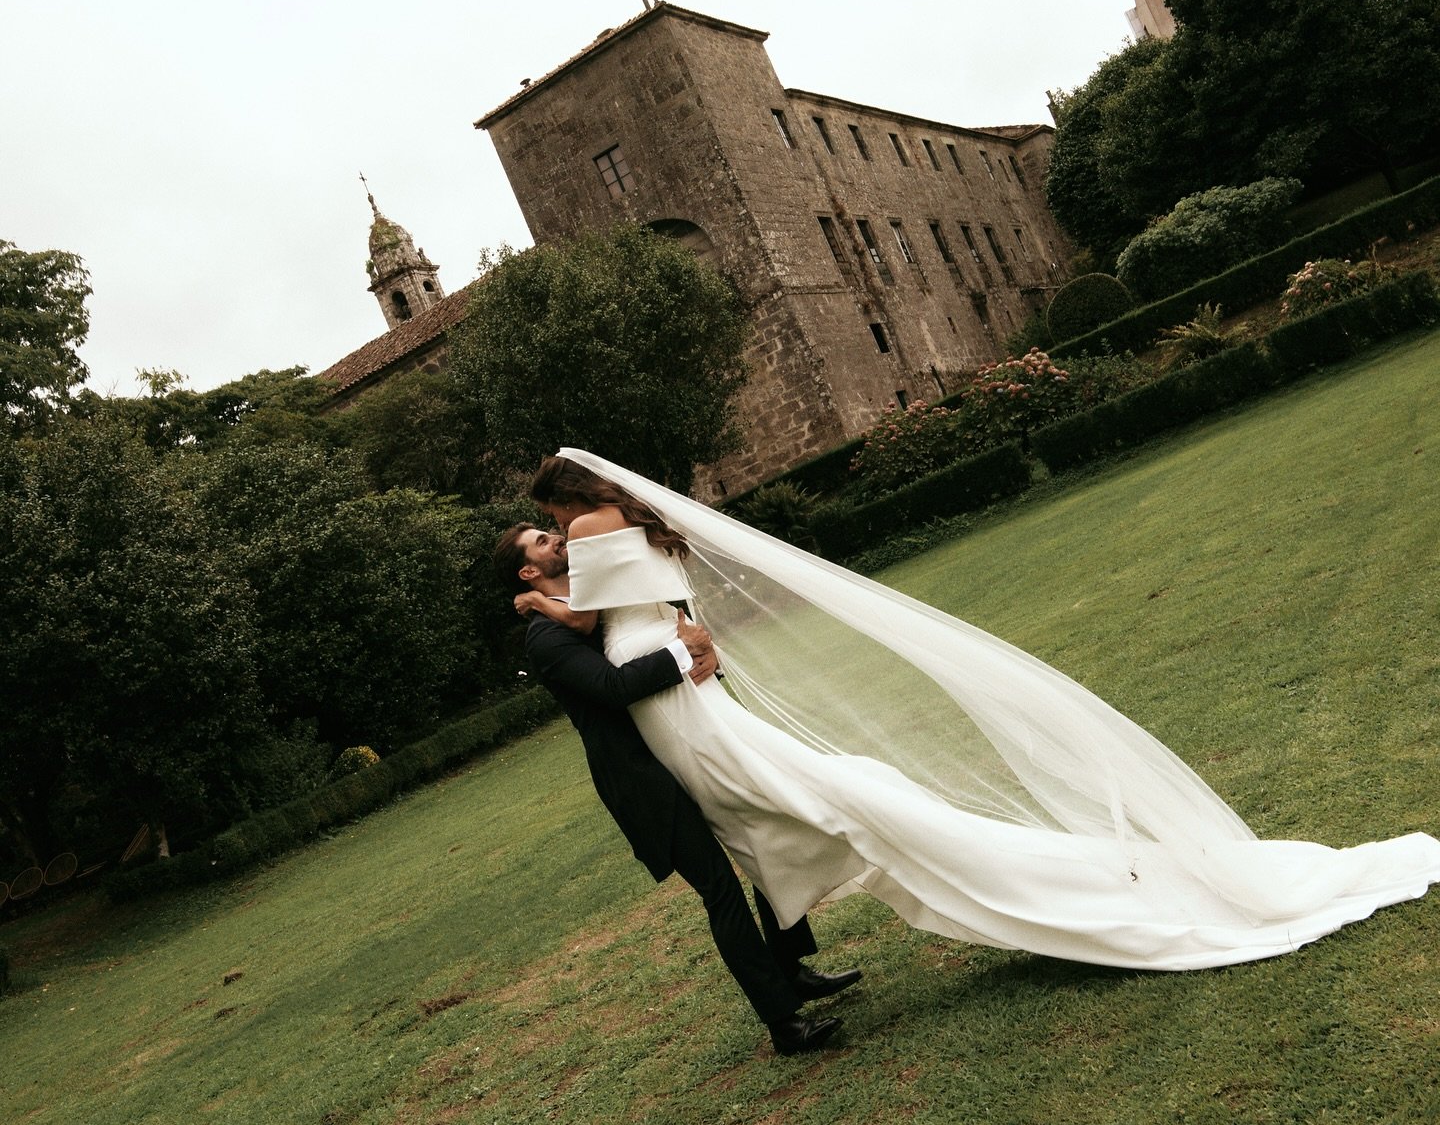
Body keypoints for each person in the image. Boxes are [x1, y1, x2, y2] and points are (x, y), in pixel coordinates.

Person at [517, 449, 1440, 974]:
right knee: (781, 790)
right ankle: (810, 896)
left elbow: (590, 620)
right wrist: (682, 641)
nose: (556, 535)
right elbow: (662, 607)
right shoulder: (634, 522)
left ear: (569, 500)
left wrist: (535, 603)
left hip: (666, 686)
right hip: (679, 676)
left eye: (551, 519)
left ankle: (838, 880)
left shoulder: (592, 530)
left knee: (789, 794)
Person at [492, 521, 861, 1057]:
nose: (557, 538)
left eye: (552, 531)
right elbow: (613, 687)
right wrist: (679, 652)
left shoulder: (587, 610)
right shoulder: (546, 639)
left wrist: (700, 652)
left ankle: (790, 969)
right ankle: (784, 1024)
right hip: (643, 780)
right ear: (528, 571)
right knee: (721, 889)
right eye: (543, 542)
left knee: (761, 831)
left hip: (681, 746)